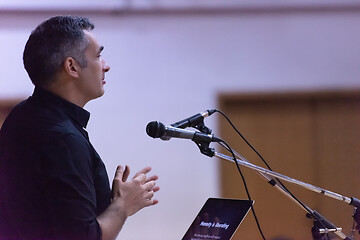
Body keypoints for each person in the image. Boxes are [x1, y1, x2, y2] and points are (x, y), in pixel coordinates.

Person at [0, 16, 159, 240]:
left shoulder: (21, 116)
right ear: (72, 67)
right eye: (98, 55)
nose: (106, 65)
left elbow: (44, 212)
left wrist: (108, 202)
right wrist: (122, 207)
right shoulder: (62, 138)